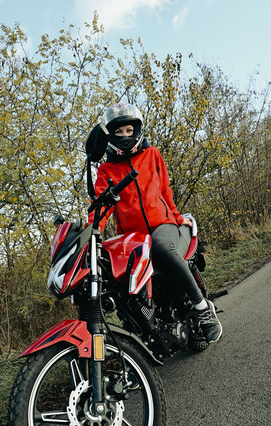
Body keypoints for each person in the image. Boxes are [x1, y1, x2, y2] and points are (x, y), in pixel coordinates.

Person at [88, 102, 222, 344]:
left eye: (129, 130)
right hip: (134, 237)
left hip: (162, 224)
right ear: (110, 134)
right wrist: (90, 232)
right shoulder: (106, 170)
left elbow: (165, 189)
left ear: (137, 130)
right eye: (119, 132)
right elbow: (100, 207)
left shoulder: (152, 154)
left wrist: (178, 218)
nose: (125, 135)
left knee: (161, 247)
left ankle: (203, 310)